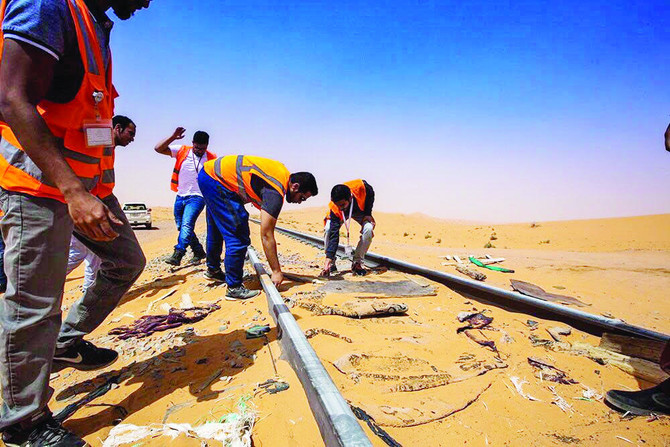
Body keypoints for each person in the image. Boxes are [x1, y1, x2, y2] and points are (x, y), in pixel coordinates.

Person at [0, 1, 151, 445]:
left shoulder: (96, 26)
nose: (145, 3)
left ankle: (65, 343)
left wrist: (88, 191)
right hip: (42, 189)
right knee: (32, 303)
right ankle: (23, 421)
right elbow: (11, 96)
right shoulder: (48, 5)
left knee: (125, 262)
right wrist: (71, 190)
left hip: (89, 191)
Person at [199, 155, 318, 298]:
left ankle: (213, 270)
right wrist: (276, 271)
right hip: (216, 180)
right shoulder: (275, 191)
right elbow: (267, 235)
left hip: (208, 174)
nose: (300, 202)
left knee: (217, 229)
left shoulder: (281, 173)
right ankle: (234, 288)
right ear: (295, 186)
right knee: (238, 233)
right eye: (302, 198)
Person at [66, 115, 137, 294]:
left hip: (99, 200)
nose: (132, 138)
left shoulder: (108, 145)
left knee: (95, 259)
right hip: (89, 203)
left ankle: (89, 294)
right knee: (80, 254)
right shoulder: (100, 136)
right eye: (130, 133)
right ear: (117, 128)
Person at [154, 127, 216, 267]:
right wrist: (173, 137)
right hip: (180, 195)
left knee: (187, 224)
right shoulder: (182, 150)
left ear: (207, 146)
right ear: (192, 143)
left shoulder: (211, 158)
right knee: (181, 226)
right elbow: (158, 148)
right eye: (197, 147)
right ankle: (198, 251)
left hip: (198, 197)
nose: (199, 151)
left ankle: (178, 253)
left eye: (202, 148)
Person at [321, 179, 375, 277]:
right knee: (329, 228)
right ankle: (331, 264)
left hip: (359, 211)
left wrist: (368, 213)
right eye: (338, 205)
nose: (340, 208)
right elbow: (334, 235)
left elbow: (370, 193)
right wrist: (328, 258)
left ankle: (357, 263)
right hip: (340, 216)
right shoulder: (335, 208)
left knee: (369, 228)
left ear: (350, 198)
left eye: (342, 205)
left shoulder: (361, 187)